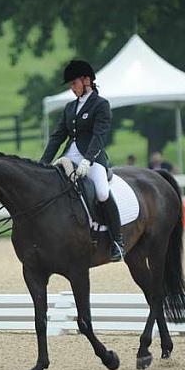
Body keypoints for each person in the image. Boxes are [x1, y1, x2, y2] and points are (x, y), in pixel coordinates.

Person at [39, 59, 124, 262]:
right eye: (70, 85)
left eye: (74, 83)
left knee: (102, 193)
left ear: (87, 80)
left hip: (92, 158)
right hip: (69, 156)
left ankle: (117, 241)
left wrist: (88, 160)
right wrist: (42, 163)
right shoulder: (69, 108)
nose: (72, 88)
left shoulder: (101, 105)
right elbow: (58, 137)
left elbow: (99, 135)